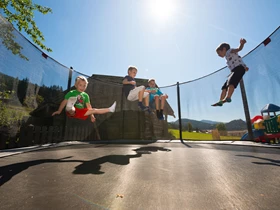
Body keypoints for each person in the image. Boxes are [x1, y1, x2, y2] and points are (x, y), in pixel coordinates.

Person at [52, 76, 116, 122]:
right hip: (72, 112)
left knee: (94, 109)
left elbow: (89, 106)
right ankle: (70, 107)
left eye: (84, 85)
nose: (82, 87)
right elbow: (64, 102)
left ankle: (110, 109)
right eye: (80, 85)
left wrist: (92, 116)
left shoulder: (85, 95)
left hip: (81, 112)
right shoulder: (72, 92)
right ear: (76, 85)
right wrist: (59, 111)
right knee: (72, 109)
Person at [213, 38, 249, 106]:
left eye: (219, 53)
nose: (219, 55)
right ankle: (221, 101)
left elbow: (239, 49)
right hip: (235, 71)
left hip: (239, 69)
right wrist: (245, 66)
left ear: (223, 49)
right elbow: (238, 59)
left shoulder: (229, 51)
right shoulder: (227, 57)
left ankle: (228, 97)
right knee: (224, 87)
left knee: (231, 82)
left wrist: (242, 44)